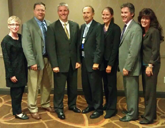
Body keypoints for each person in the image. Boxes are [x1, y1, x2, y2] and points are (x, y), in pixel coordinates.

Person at [46, 2, 81, 120]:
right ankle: (59, 108)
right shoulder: (52, 27)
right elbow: (51, 48)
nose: (63, 13)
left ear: (68, 11)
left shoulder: (75, 26)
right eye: (61, 11)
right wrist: (54, 64)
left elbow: (77, 45)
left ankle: (72, 105)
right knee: (59, 89)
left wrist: (78, 60)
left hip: (73, 63)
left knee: (73, 87)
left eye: (65, 10)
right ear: (58, 12)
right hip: (59, 65)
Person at [22, 2, 53, 120]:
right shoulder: (27, 25)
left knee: (46, 84)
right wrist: (31, 62)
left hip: (48, 60)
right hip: (35, 61)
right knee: (34, 86)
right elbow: (26, 45)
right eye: (38, 10)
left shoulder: (49, 24)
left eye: (43, 10)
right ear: (34, 11)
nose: (41, 12)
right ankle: (33, 108)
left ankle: (45, 104)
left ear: (45, 11)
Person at [138, 8, 164, 124]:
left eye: (147, 18)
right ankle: (150, 113)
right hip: (144, 64)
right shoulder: (144, 31)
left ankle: (148, 117)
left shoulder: (154, 31)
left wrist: (150, 65)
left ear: (151, 20)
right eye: (142, 18)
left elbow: (155, 51)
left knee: (150, 91)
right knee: (147, 91)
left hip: (151, 65)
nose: (144, 20)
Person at [1, 16, 29, 120]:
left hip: (22, 70)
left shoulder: (21, 37)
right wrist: (11, 74)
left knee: (20, 92)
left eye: (17, 24)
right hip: (14, 72)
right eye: (12, 24)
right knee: (16, 94)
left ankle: (16, 110)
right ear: (8, 26)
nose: (15, 26)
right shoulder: (6, 41)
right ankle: (17, 112)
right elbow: (7, 60)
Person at [119, 3, 142, 122]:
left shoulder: (136, 28)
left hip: (130, 68)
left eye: (125, 12)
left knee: (132, 92)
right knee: (128, 91)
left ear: (132, 13)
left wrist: (127, 67)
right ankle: (131, 110)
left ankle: (132, 114)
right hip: (125, 66)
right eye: (122, 12)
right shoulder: (126, 26)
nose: (123, 15)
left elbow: (134, 51)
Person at [79, 5, 104, 119]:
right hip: (84, 61)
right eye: (84, 13)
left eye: (88, 12)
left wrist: (96, 61)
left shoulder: (98, 26)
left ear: (93, 14)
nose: (86, 15)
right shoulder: (83, 27)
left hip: (93, 63)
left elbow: (99, 46)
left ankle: (98, 109)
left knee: (95, 87)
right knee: (86, 86)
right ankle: (91, 105)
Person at [101, 7, 121, 119]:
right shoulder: (101, 27)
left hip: (111, 63)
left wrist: (110, 64)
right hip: (102, 62)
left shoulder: (115, 28)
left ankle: (112, 108)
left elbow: (115, 48)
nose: (104, 17)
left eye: (107, 15)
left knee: (111, 86)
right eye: (103, 14)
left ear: (112, 15)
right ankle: (107, 104)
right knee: (105, 85)